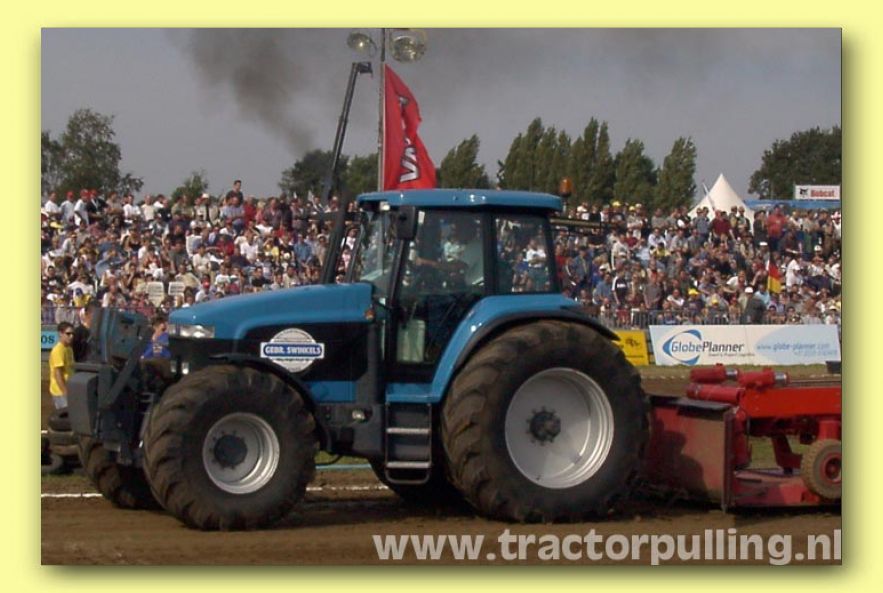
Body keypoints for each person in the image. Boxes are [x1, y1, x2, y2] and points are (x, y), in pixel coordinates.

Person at [48, 322, 75, 409]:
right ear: (60, 333)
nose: (71, 336)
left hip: (68, 388)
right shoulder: (58, 350)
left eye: (72, 334)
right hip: (60, 391)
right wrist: (65, 392)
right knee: (65, 414)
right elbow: (58, 374)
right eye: (68, 334)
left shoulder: (68, 348)